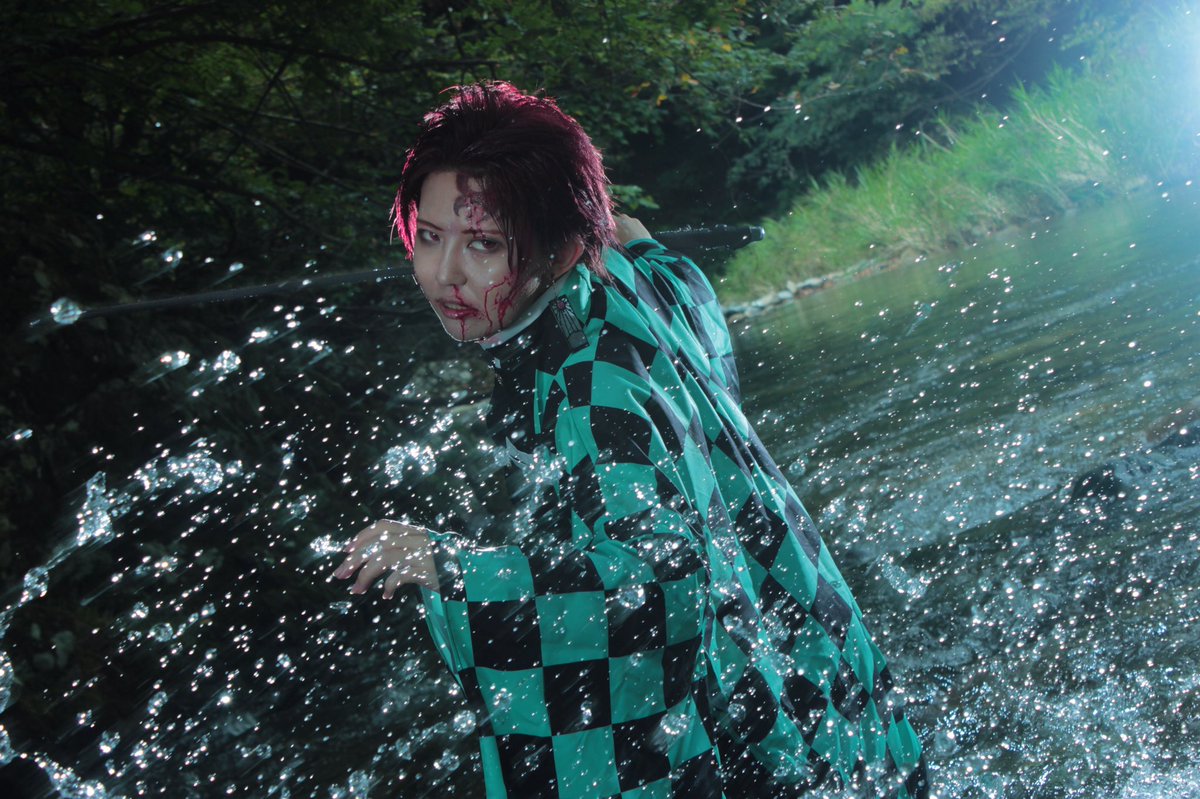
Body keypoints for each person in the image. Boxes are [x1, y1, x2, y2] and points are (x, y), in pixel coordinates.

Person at [333, 81, 928, 798]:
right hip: (812, 657)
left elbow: (656, 582)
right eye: (430, 236)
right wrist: (618, 231)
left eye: (484, 244)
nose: (444, 274)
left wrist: (450, 566)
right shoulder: (638, 282)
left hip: (743, 731)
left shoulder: (589, 384)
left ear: (561, 251)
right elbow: (672, 271)